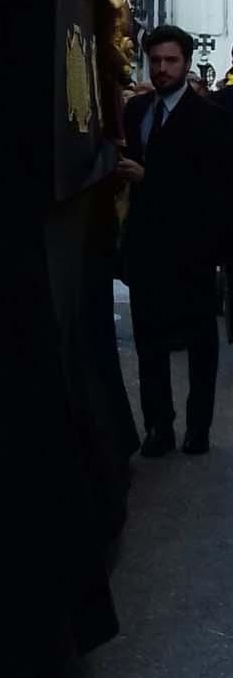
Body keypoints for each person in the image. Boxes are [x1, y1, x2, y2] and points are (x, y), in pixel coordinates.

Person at [118, 24, 233, 457]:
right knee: (149, 344)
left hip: (192, 250)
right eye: (157, 61)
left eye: (171, 61)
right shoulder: (137, 112)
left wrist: (152, 180)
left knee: (201, 342)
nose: (163, 68)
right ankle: (158, 428)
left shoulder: (211, 119)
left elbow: (214, 186)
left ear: (186, 63)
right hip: (146, 248)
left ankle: (197, 429)